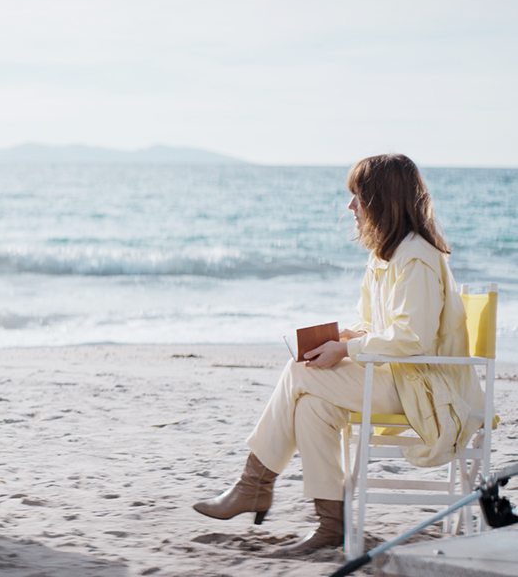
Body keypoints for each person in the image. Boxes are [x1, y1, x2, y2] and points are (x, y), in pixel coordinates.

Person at [193, 153, 485, 553]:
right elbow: (379, 326)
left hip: (426, 387)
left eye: (358, 197)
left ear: (382, 200)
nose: (350, 206)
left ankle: (254, 485)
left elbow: (412, 338)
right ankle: (330, 525)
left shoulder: (416, 257)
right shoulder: (385, 256)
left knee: (300, 372)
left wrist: (346, 348)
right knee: (312, 406)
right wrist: (348, 336)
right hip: (401, 376)